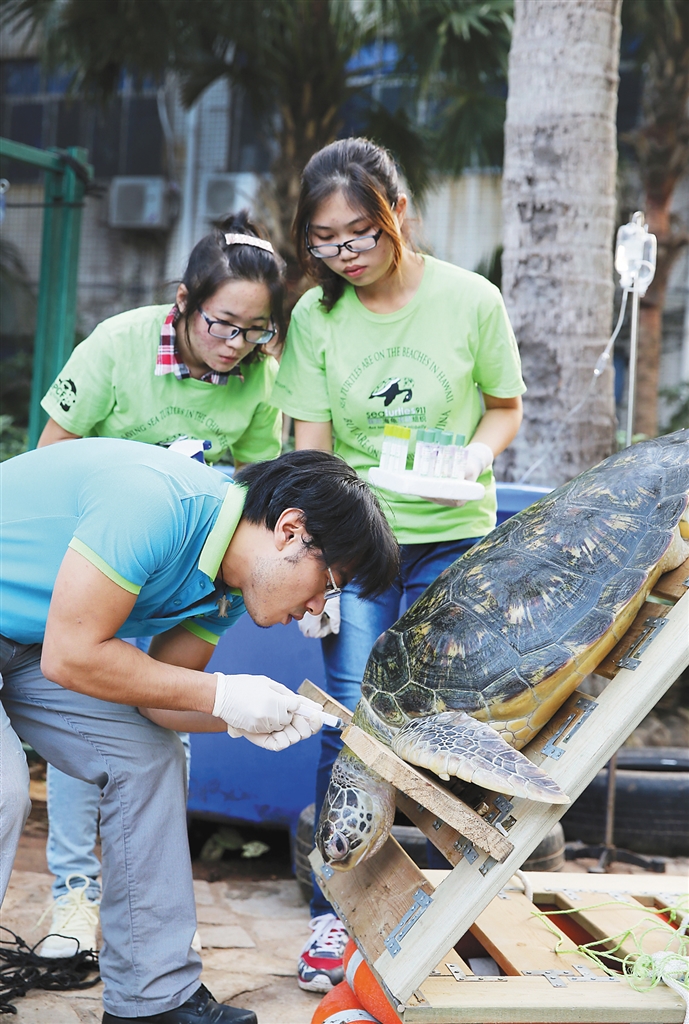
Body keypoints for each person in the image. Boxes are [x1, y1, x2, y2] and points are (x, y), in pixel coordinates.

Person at [0, 440, 399, 1024]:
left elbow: (159, 702)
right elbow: (73, 655)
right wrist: (225, 696)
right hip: (52, 645)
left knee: (148, 758)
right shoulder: (154, 501)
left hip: (30, 642)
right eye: (328, 583)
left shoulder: (226, 588)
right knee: (4, 789)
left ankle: (152, 1001)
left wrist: (252, 715)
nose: (318, 608)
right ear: (290, 531)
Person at [272, 137, 525, 993]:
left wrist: (475, 459)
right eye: (323, 240)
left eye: (359, 234)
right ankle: (333, 915)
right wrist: (315, 571)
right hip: (359, 547)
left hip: (454, 539)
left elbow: (503, 406)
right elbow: (312, 453)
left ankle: (463, 909)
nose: (343, 254)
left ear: (397, 214)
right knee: (352, 722)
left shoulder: (470, 299)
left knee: (458, 725)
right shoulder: (316, 319)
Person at [35, 211, 286, 956]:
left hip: (181, 578)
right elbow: (52, 454)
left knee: (168, 718)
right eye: (222, 324)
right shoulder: (119, 344)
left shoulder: (260, 380)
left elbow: (254, 489)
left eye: (255, 331)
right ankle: (73, 897)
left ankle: (151, 906)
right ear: (183, 301)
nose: (235, 344)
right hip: (94, 564)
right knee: (83, 722)